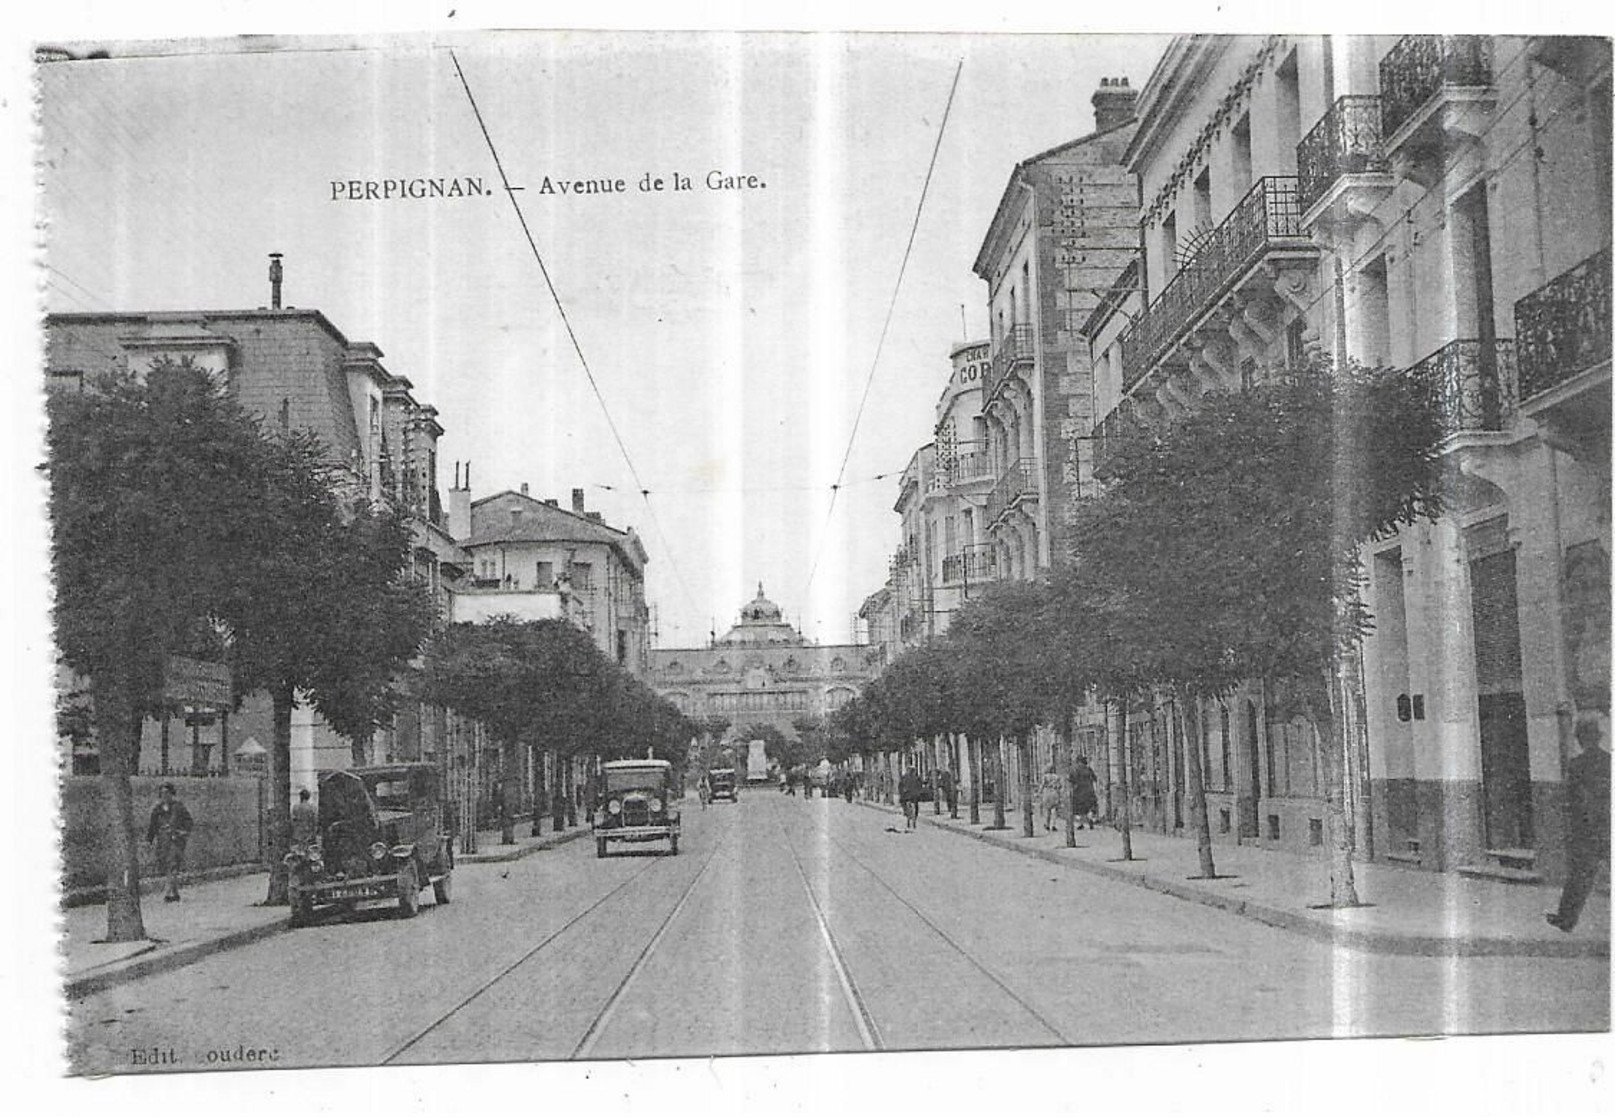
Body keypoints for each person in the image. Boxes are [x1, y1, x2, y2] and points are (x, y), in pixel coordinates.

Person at [1548, 718, 1610, 933]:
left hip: (1586, 830)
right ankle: (1565, 918)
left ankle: (1566, 919)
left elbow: (1572, 801)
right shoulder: (1608, 761)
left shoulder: (1576, 764)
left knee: (1578, 876)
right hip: (1608, 826)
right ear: (1598, 738)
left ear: (1581, 740)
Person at [146, 782, 193, 902]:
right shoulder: (157, 810)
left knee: (173, 864)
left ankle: (168, 893)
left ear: (172, 794)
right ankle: (175, 892)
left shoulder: (178, 807)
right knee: (167, 866)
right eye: (162, 793)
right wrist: (149, 840)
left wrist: (183, 832)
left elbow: (189, 822)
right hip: (163, 841)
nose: (165, 796)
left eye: (167, 793)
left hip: (175, 840)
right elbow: (152, 826)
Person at [1070, 755, 1100, 830]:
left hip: (1078, 791)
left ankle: (1080, 823)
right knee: (1090, 806)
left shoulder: (1075, 769)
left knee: (1078, 808)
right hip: (1089, 790)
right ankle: (1090, 818)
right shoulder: (1088, 769)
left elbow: (1071, 780)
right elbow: (1095, 778)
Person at [1038, 767, 1064, 832]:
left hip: (1047, 792)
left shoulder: (1045, 777)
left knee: (1047, 809)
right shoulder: (1057, 777)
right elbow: (1060, 785)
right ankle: (1053, 825)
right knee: (1054, 810)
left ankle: (1047, 824)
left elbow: (1042, 785)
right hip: (1055, 792)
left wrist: (1039, 792)